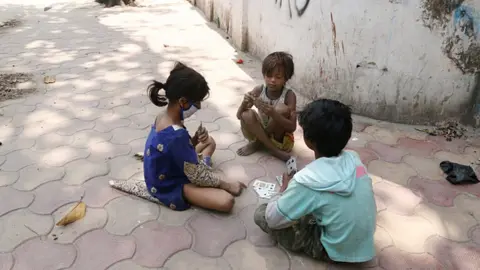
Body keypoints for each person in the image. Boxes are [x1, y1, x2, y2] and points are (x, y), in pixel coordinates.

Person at [111, 62, 245, 213]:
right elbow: (197, 176)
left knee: (209, 142)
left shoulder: (165, 116)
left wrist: (194, 140)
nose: (199, 106)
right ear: (183, 102)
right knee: (226, 201)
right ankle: (193, 182)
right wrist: (226, 184)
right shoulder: (176, 135)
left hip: (174, 164)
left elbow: (178, 148)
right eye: (197, 102)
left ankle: (204, 168)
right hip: (168, 183)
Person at [254, 99, 377, 263]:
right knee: (318, 203)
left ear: (309, 141)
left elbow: (272, 219)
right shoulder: (354, 160)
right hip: (365, 244)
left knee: (262, 213)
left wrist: (283, 189)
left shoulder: (306, 181)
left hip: (335, 249)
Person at [236, 52, 297, 162]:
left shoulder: (289, 95)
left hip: (279, 139)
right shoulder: (259, 90)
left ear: (286, 78)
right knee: (247, 113)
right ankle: (271, 149)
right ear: (264, 74)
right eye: (269, 76)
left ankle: (261, 144)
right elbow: (239, 116)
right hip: (259, 132)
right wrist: (244, 104)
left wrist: (274, 114)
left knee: (281, 109)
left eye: (278, 77)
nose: (272, 80)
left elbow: (292, 127)